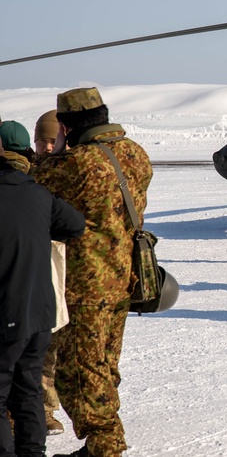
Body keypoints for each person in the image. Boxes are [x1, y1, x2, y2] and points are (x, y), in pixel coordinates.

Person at [32, 87, 154, 457]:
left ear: (67, 127)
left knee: (80, 373)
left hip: (87, 285)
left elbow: (34, 191)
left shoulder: (80, 164)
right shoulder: (135, 153)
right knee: (103, 364)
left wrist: (46, 157)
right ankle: (104, 441)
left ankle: (105, 445)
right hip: (123, 277)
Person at [0, 141, 85, 457]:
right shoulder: (37, 193)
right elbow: (75, 224)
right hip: (40, 313)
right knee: (28, 391)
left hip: (7, 312)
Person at [30, 109, 68, 436]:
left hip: (66, 268)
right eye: (39, 141)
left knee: (56, 349)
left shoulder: (72, 171)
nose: (44, 147)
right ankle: (43, 410)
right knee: (42, 346)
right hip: (36, 268)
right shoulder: (26, 171)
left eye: (50, 140)